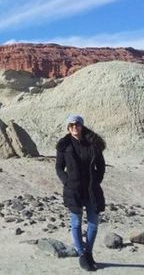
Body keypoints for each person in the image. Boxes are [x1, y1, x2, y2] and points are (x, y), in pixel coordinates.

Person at [55, 114, 106, 272]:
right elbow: (58, 167)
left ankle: (89, 252)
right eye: (71, 125)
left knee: (93, 223)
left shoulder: (93, 143)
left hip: (91, 189)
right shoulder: (64, 145)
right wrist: (66, 182)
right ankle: (81, 254)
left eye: (77, 125)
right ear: (68, 128)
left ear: (82, 126)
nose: (74, 128)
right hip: (74, 189)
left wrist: (97, 180)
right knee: (76, 223)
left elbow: (101, 166)